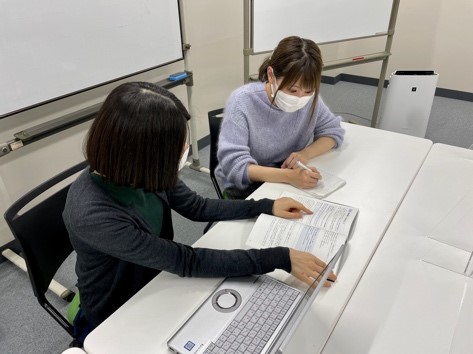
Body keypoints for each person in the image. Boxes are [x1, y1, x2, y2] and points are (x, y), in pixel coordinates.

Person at [63, 81, 336, 333]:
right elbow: (185, 260)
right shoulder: (93, 214)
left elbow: (197, 207)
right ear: (144, 153)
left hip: (158, 282)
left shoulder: (140, 171)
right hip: (116, 311)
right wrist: (279, 258)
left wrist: (265, 205)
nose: (185, 148)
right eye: (177, 145)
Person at [216, 36, 345, 199]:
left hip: (288, 176)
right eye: (292, 90)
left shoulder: (310, 99)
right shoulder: (243, 101)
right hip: (247, 185)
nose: (300, 98)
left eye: (308, 91)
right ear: (271, 75)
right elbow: (234, 165)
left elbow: (332, 132)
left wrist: (306, 153)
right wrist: (288, 177)